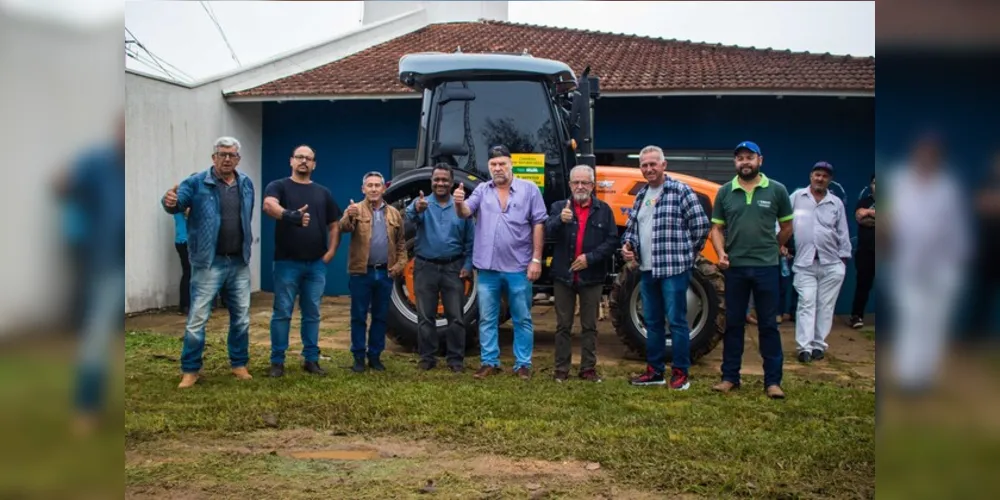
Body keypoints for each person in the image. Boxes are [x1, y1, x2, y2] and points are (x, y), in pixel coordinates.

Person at [162, 136, 256, 389]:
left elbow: (246, 218)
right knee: (197, 318)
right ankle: (190, 370)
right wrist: (169, 202)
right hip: (208, 263)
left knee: (241, 318)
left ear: (238, 158)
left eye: (232, 155)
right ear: (213, 157)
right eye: (222, 154)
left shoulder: (246, 183)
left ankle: (239, 364)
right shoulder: (195, 183)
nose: (227, 159)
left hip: (238, 262)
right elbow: (176, 203)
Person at [55, 114, 125, 433]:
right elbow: (64, 187)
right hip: (108, 263)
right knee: (97, 336)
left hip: (128, 262)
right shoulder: (97, 163)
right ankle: (86, 407)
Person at [621, 146, 711, 389]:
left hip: (674, 270)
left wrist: (687, 255)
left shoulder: (681, 191)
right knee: (652, 323)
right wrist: (628, 244)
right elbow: (632, 228)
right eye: (644, 165)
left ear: (664, 165)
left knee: (678, 322)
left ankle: (680, 374)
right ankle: (655, 371)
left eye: (653, 164)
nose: (649, 169)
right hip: (647, 270)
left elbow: (701, 226)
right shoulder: (641, 196)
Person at [454, 145, 548, 380]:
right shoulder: (482, 190)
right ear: (489, 167)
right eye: (494, 165)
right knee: (487, 317)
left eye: (502, 164)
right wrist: (458, 202)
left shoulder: (529, 190)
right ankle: (489, 362)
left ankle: (523, 364)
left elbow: (538, 224)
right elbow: (466, 212)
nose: (498, 168)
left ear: (511, 164)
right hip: (488, 269)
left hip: (518, 267)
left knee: (522, 317)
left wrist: (536, 259)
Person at [709, 141, 793, 399]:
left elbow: (787, 227)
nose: (744, 162)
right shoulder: (725, 192)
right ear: (735, 163)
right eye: (740, 158)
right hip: (735, 268)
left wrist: (773, 247)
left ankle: (773, 382)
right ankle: (730, 377)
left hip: (767, 267)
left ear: (760, 160)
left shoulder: (777, 190)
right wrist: (721, 253)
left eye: (749, 157)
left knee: (768, 325)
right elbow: (716, 229)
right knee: (733, 324)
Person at [262, 145, 342, 377]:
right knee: (282, 312)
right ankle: (277, 361)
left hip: (315, 264)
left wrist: (331, 252)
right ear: (291, 161)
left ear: (314, 164)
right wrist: (290, 215)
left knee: (312, 313)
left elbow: (334, 224)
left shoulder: (322, 192)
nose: (304, 161)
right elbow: (269, 205)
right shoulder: (279, 186)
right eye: (299, 157)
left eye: (308, 158)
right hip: (287, 262)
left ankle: (311, 360)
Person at [545, 165, 619, 383]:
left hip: (592, 276)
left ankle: (588, 368)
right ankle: (561, 369)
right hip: (563, 276)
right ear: (569, 185)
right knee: (562, 326)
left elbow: (613, 240)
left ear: (592, 185)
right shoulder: (559, 207)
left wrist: (590, 258)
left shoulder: (604, 210)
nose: (580, 186)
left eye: (584, 182)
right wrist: (560, 220)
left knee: (590, 326)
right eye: (576, 182)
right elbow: (547, 230)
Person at [405, 163, 475, 372]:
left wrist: (468, 264)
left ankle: (455, 359)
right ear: (431, 182)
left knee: (456, 317)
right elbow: (410, 217)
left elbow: (471, 240)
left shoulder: (461, 207)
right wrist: (416, 208)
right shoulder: (422, 204)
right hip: (425, 267)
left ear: (452, 183)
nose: (440, 183)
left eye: (445, 180)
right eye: (437, 180)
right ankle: (427, 358)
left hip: (453, 268)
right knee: (425, 316)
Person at [340, 171, 407, 373]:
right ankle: (359, 357)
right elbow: (344, 227)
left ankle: (375, 357)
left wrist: (400, 265)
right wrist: (348, 216)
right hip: (361, 273)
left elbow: (401, 244)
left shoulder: (395, 214)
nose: (374, 189)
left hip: (385, 274)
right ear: (363, 189)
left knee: (380, 317)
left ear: (383, 188)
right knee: (358, 317)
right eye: (370, 185)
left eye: (378, 185)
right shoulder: (355, 209)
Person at [790, 162, 852, 363]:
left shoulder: (836, 203)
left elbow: (843, 232)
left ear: (830, 180)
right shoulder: (797, 197)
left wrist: (843, 260)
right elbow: (781, 222)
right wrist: (779, 244)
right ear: (811, 176)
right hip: (804, 262)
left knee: (825, 306)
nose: (820, 179)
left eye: (825, 176)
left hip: (831, 262)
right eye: (817, 174)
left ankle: (818, 345)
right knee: (806, 303)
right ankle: (804, 348)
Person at [849, 174, 876, 329]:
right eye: (875, 183)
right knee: (863, 285)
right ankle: (856, 316)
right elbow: (860, 217)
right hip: (866, 251)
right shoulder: (864, 201)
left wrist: (870, 214)